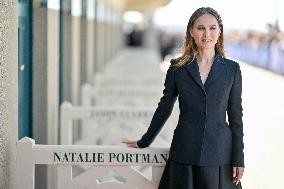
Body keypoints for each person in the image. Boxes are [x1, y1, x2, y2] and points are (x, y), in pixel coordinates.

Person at [122, 7, 244, 189]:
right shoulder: (177, 68)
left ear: (220, 31)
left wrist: (238, 159)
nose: (207, 34)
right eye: (201, 28)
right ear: (191, 31)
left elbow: (236, 117)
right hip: (185, 151)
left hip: (220, 155)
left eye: (212, 28)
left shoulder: (232, 69)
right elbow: (164, 107)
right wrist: (144, 141)